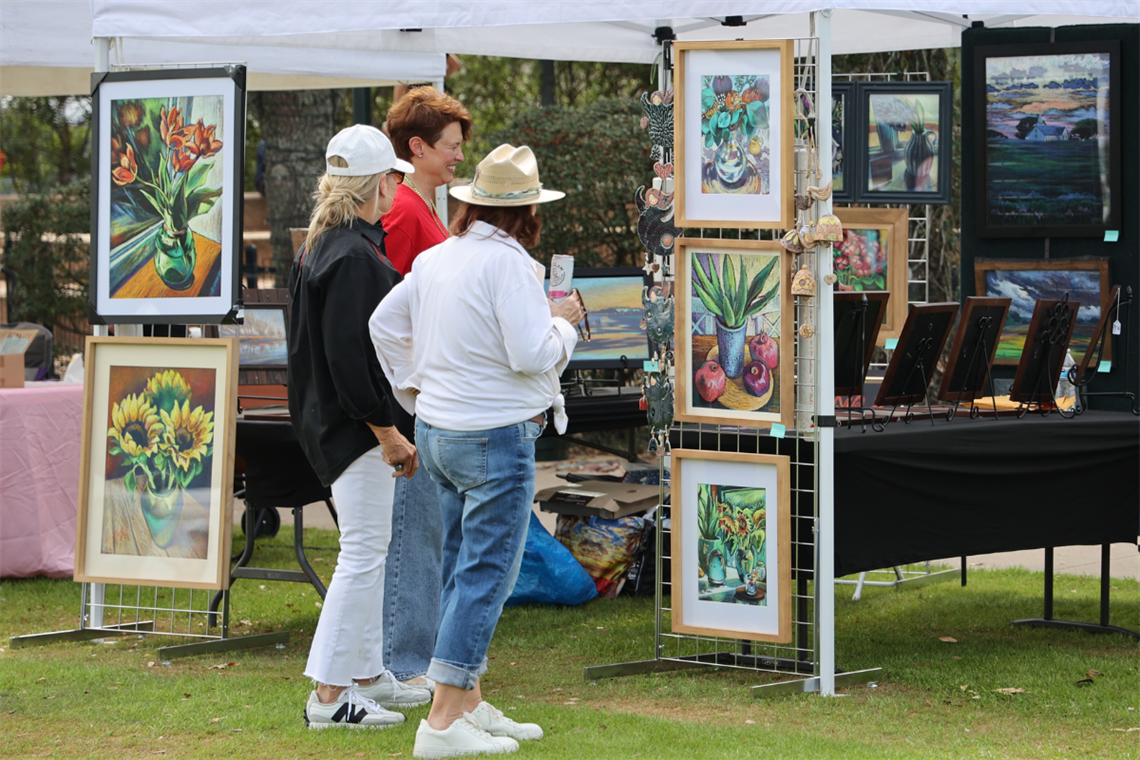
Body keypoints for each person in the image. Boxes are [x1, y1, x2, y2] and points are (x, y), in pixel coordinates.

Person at [371, 144, 585, 758]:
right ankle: (441, 724)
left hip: (441, 432)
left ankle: (467, 703)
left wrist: (416, 388)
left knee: (461, 570)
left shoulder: (439, 258)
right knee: (485, 576)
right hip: (494, 435)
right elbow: (530, 353)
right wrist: (564, 322)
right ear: (527, 214)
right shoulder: (512, 265)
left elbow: (383, 325)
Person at [287, 124, 432, 729]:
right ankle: (329, 693)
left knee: (369, 549)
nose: (397, 188)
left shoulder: (327, 245)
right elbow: (351, 357)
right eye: (393, 178)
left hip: (335, 421)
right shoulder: (349, 254)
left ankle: (367, 674)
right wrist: (386, 429)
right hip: (354, 427)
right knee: (364, 553)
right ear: (379, 184)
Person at [377, 86, 472, 695]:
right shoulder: (405, 210)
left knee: (428, 530)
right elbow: (383, 311)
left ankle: (421, 654)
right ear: (418, 147)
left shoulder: (426, 208)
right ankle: (404, 661)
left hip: (428, 392)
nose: (460, 157)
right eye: (451, 147)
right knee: (414, 532)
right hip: (411, 396)